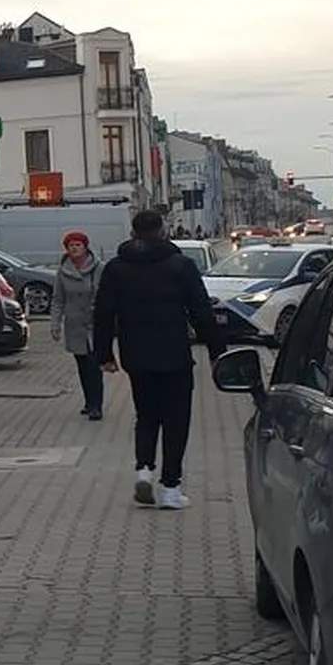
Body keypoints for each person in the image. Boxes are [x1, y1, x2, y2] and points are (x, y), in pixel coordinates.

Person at [93, 204, 220, 509]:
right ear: (162, 231)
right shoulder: (180, 265)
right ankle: (171, 488)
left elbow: (103, 313)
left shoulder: (115, 268)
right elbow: (202, 311)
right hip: (174, 354)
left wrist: (104, 354)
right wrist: (218, 352)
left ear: (133, 233)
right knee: (177, 421)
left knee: (146, 415)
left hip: (136, 356)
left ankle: (144, 470)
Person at [50, 228, 104, 419]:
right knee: (82, 365)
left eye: (78, 245)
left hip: (93, 324)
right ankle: (89, 402)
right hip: (74, 325)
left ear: (85, 247)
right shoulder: (63, 271)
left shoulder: (98, 268)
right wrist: (55, 324)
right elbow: (58, 300)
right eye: (71, 246)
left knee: (94, 366)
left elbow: (105, 294)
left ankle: (97, 405)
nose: (75, 249)